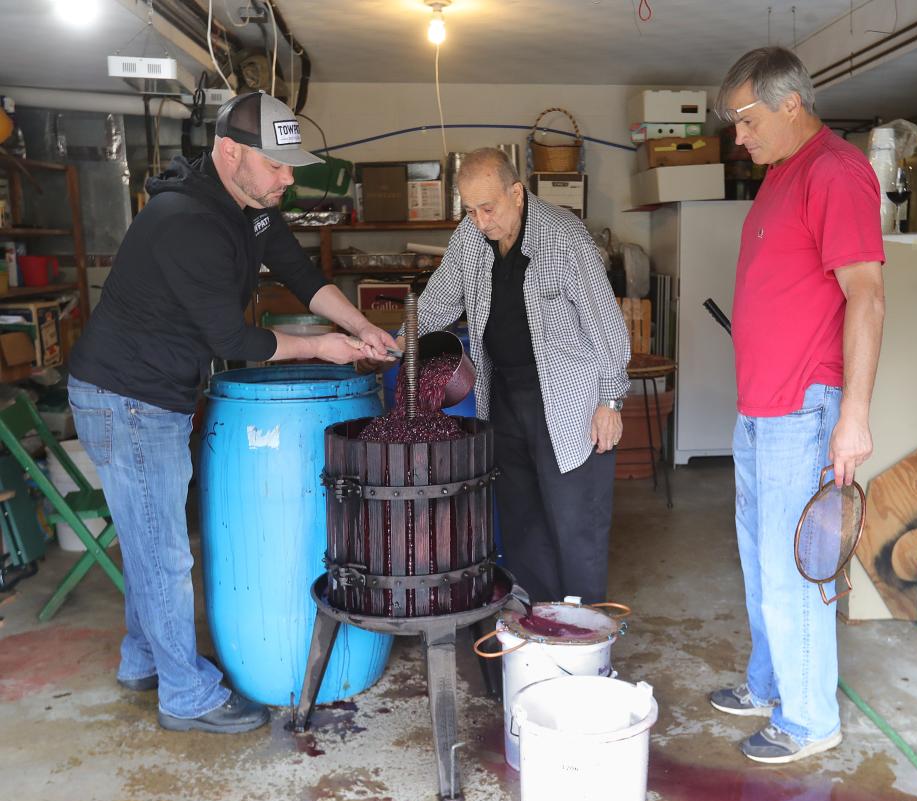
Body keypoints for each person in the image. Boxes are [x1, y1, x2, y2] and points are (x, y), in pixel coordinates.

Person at [67, 91, 397, 734]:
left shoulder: (249, 204)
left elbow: (300, 272)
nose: (289, 178)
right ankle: (185, 696)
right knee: (163, 551)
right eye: (277, 165)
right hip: (127, 399)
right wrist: (326, 348)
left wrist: (361, 327)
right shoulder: (187, 222)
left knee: (146, 536)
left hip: (150, 392)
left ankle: (143, 658)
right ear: (229, 152)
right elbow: (235, 344)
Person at [709, 48, 885, 763]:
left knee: (794, 566)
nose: (739, 138)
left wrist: (855, 415)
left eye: (745, 121)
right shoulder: (782, 175)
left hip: (806, 409)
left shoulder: (836, 172)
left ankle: (811, 719)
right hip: (761, 409)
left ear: (789, 103)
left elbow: (867, 296)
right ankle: (769, 682)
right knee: (759, 560)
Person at [386, 147, 629, 604]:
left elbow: (607, 326)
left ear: (517, 193)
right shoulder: (470, 237)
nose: (479, 221)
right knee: (522, 522)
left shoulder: (563, 237)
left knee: (575, 524)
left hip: (569, 399)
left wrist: (610, 401)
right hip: (503, 394)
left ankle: (584, 644)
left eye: (488, 208)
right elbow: (439, 300)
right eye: (470, 210)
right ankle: (537, 628)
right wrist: (395, 344)